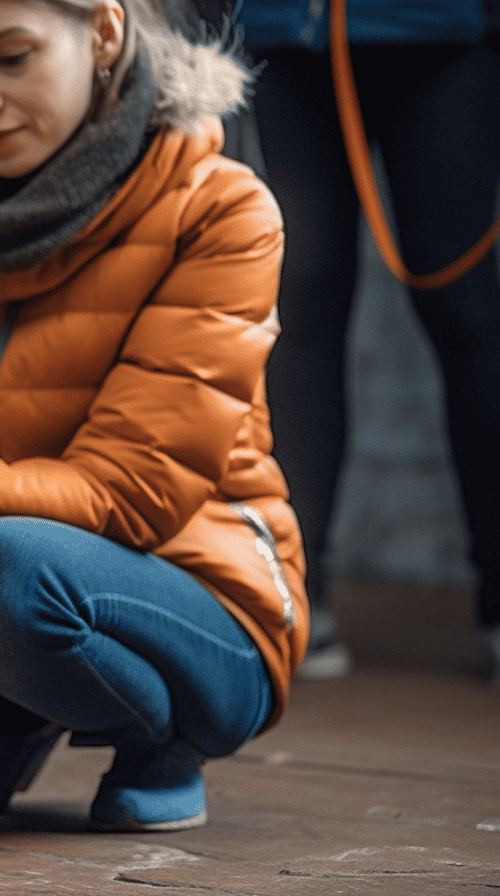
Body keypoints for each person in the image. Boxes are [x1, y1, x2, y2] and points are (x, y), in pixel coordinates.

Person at [0, 0, 308, 830]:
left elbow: (131, 489)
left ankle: (163, 741)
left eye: (11, 58)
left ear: (104, 31)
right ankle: (2, 721)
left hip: (201, 597)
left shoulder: (219, 210)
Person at [236, 1, 500, 681]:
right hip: (287, 34)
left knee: (465, 309)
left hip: (447, 32)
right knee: (298, 300)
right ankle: (293, 592)